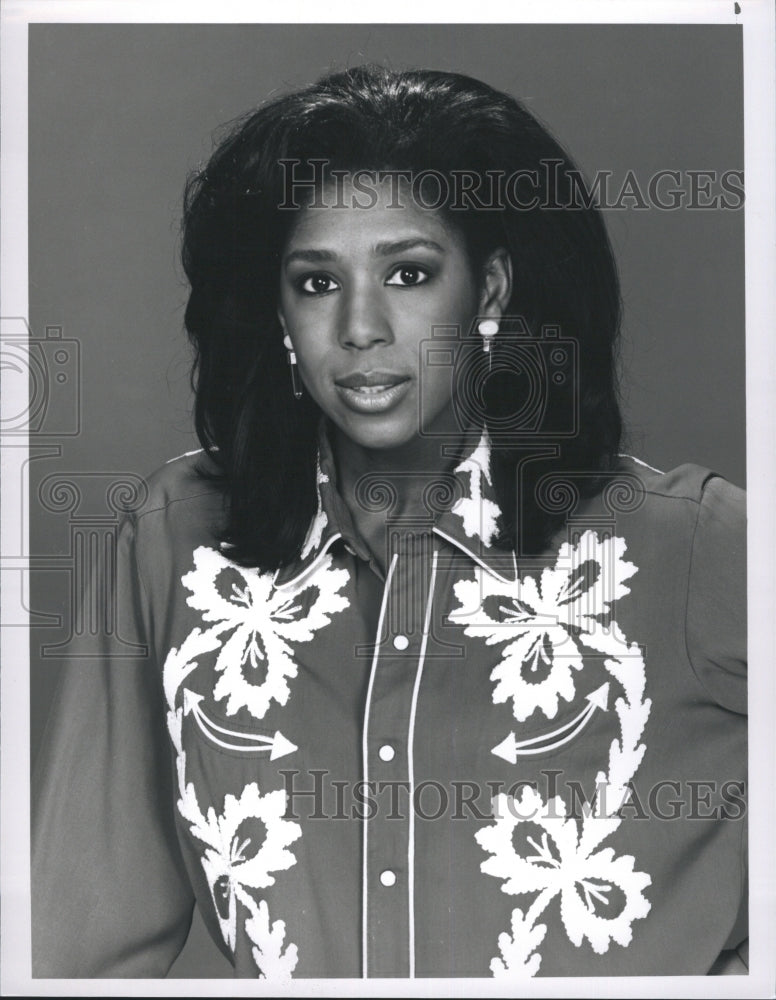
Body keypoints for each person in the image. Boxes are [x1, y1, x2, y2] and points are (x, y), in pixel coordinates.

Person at [31, 64, 747, 979]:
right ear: (280, 311)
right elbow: (74, 950)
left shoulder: (691, 545)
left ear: (488, 294)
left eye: (408, 273)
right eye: (317, 282)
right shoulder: (176, 539)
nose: (361, 326)